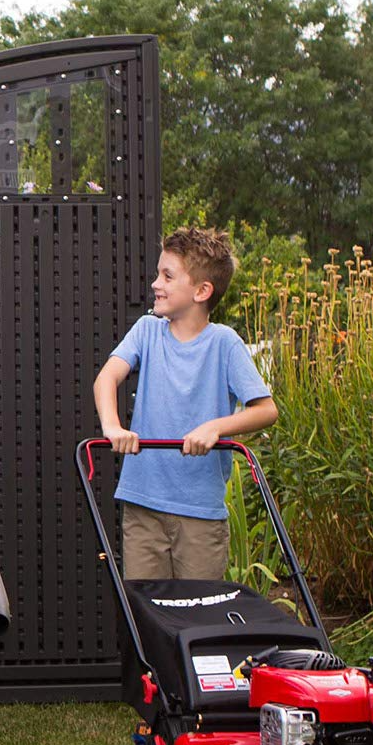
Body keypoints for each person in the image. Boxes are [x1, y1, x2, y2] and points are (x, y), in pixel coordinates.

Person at [91, 226, 277, 583]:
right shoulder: (147, 331)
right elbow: (106, 378)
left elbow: (266, 409)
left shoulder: (225, 344)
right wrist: (112, 427)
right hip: (143, 505)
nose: (155, 284)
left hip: (199, 514)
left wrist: (215, 427)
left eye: (167, 276)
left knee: (198, 614)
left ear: (201, 291)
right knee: (148, 613)